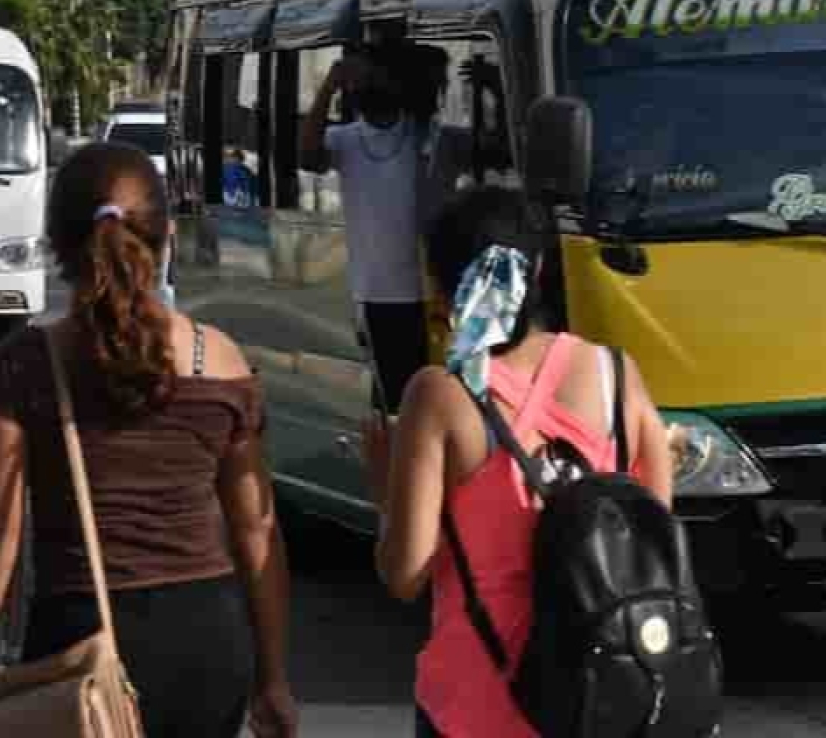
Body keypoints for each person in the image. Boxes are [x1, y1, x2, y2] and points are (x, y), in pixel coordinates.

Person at [0, 141, 297, 737]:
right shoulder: (219, 360)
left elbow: (2, 536)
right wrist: (273, 678)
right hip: (206, 644)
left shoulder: (28, 363)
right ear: (166, 239)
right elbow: (255, 531)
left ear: (58, 244)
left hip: (79, 644)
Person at [362, 187, 674, 738]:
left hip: (478, 700)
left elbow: (405, 575)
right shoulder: (617, 375)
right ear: (541, 270)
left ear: (441, 284)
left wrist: (385, 493)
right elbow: (652, 533)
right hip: (602, 695)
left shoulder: (439, 395)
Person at [300, 49, 427, 414]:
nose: (364, 86)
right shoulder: (346, 138)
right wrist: (327, 88)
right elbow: (308, 156)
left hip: (431, 292)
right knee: (390, 401)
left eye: (372, 77)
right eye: (358, 81)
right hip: (376, 294)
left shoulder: (424, 134)